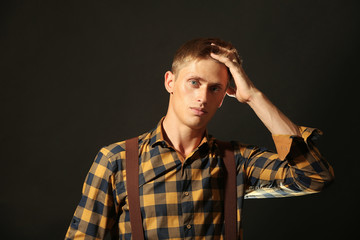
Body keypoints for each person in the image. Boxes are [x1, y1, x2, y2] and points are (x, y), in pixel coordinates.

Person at [65, 38, 334, 239]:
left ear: (224, 96)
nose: (203, 97)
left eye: (214, 88)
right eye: (194, 82)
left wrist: (253, 96)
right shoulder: (117, 161)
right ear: (170, 82)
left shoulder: (235, 162)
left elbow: (314, 177)